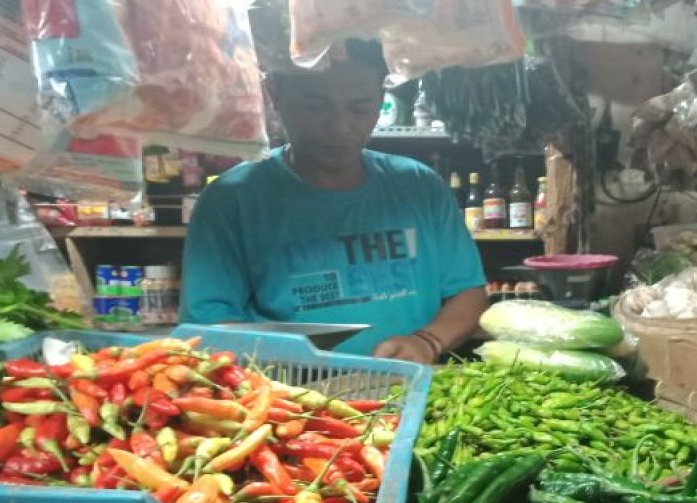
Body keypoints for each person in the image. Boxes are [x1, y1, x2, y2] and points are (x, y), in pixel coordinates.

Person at [180, 40, 488, 363]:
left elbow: (468, 293)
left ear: (381, 99)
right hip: (288, 404)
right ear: (275, 94)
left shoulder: (419, 186)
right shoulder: (231, 200)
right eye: (315, 105)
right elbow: (210, 327)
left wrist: (427, 343)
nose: (340, 127)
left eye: (359, 107)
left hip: (413, 391)